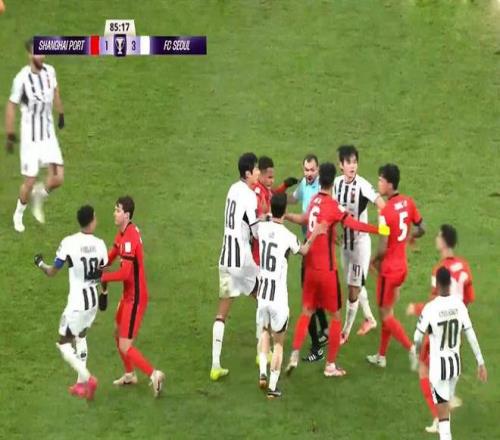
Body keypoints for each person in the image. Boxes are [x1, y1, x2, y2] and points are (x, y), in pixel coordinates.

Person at [285, 162, 389, 377]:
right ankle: (330, 365)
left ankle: (294, 353)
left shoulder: (314, 201)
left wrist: (284, 215)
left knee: (306, 311)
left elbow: (303, 219)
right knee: (335, 316)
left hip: (309, 266)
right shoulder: (333, 206)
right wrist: (378, 229)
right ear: (333, 181)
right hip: (326, 271)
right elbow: (353, 224)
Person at [33, 205, 107, 400]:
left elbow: (52, 272)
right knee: (81, 336)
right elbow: (104, 273)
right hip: (92, 299)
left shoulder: (69, 243)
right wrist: (104, 294)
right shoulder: (100, 244)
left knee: (63, 344)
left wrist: (40, 264)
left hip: (77, 303)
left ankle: (88, 378)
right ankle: (81, 385)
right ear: (92, 220)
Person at [407, 225, 475, 433]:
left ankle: (440, 417)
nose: (436, 238)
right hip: (456, 329)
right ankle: (447, 403)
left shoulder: (439, 270)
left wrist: (415, 308)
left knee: (424, 370)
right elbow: (469, 298)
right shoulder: (464, 266)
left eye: (438, 236)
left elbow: (434, 303)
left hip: (438, 328)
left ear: (444, 241)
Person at [257, 193, 323, 398]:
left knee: (264, 332)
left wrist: (268, 216)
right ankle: (272, 387)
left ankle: (262, 373)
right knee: (278, 343)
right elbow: (304, 250)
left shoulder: (262, 228)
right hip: (278, 297)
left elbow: (262, 219)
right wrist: (315, 233)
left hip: (262, 294)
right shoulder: (287, 236)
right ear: (285, 210)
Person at [100, 196, 165, 397]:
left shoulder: (129, 238)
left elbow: (125, 274)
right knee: (117, 332)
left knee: (125, 345)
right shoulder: (124, 232)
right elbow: (113, 252)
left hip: (135, 298)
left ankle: (154, 374)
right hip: (128, 295)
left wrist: (103, 277)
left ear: (126, 215)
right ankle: (130, 374)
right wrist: (101, 265)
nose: (114, 213)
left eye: (118, 210)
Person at [414, 267, 487, 440]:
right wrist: (480, 362)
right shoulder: (459, 305)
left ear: (437, 284)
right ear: (450, 284)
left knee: (443, 420)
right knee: (445, 410)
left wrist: (416, 356)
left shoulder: (431, 308)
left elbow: (417, 337)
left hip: (438, 369)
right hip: (455, 367)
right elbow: (470, 333)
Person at [367, 164, 425, 369]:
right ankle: (381, 356)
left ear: (389, 184)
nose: (378, 183)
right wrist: (408, 236)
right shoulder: (408, 203)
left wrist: (373, 260)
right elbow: (422, 228)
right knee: (388, 310)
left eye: (381, 180)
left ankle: (412, 348)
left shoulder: (385, 213)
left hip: (388, 271)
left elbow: (383, 247)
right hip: (402, 268)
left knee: (385, 314)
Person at [6, 38, 65, 232]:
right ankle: (18, 214)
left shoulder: (50, 72)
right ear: (29, 54)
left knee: (58, 178)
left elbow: (55, 91)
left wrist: (61, 112)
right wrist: (10, 134)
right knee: (29, 181)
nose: (40, 56)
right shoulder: (21, 79)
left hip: (48, 134)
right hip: (30, 138)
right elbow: (11, 105)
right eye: (36, 52)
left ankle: (40, 194)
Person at [211, 153, 261, 381]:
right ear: (248, 173)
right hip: (242, 259)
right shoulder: (250, 196)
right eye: (256, 169)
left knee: (221, 313)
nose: (258, 173)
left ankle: (215, 365)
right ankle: (263, 353)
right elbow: (256, 230)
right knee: (265, 297)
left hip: (225, 258)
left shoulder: (232, 189)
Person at [333, 145, 384, 344]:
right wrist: (333, 231)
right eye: (348, 162)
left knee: (353, 289)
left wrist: (383, 225)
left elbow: (380, 202)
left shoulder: (362, 185)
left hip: (359, 246)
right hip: (345, 245)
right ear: (341, 165)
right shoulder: (337, 184)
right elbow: (333, 210)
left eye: (355, 162)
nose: (352, 166)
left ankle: (344, 333)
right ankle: (370, 319)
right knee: (354, 283)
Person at [288, 154, 328, 362]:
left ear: (318, 169)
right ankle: (326, 329)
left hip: (314, 248)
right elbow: (294, 198)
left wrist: (283, 215)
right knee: (315, 293)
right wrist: (276, 195)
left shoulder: (322, 190)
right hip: (310, 245)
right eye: (306, 170)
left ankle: (317, 348)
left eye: (312, 170)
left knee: (308, 297)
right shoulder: (304, 184)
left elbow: (306, 219)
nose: (309, 173)